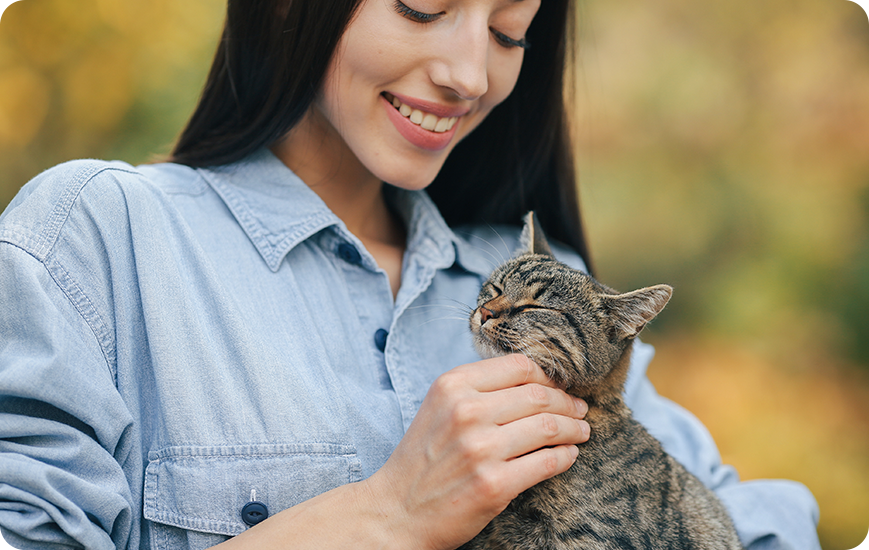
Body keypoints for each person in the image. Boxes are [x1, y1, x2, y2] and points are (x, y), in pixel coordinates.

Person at [0, 0, 820, 549]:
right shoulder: (100, 238)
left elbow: (750, 520)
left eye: (508, 33)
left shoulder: (552, 284)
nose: (469, 74)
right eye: (424, 5)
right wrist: (387, 512)